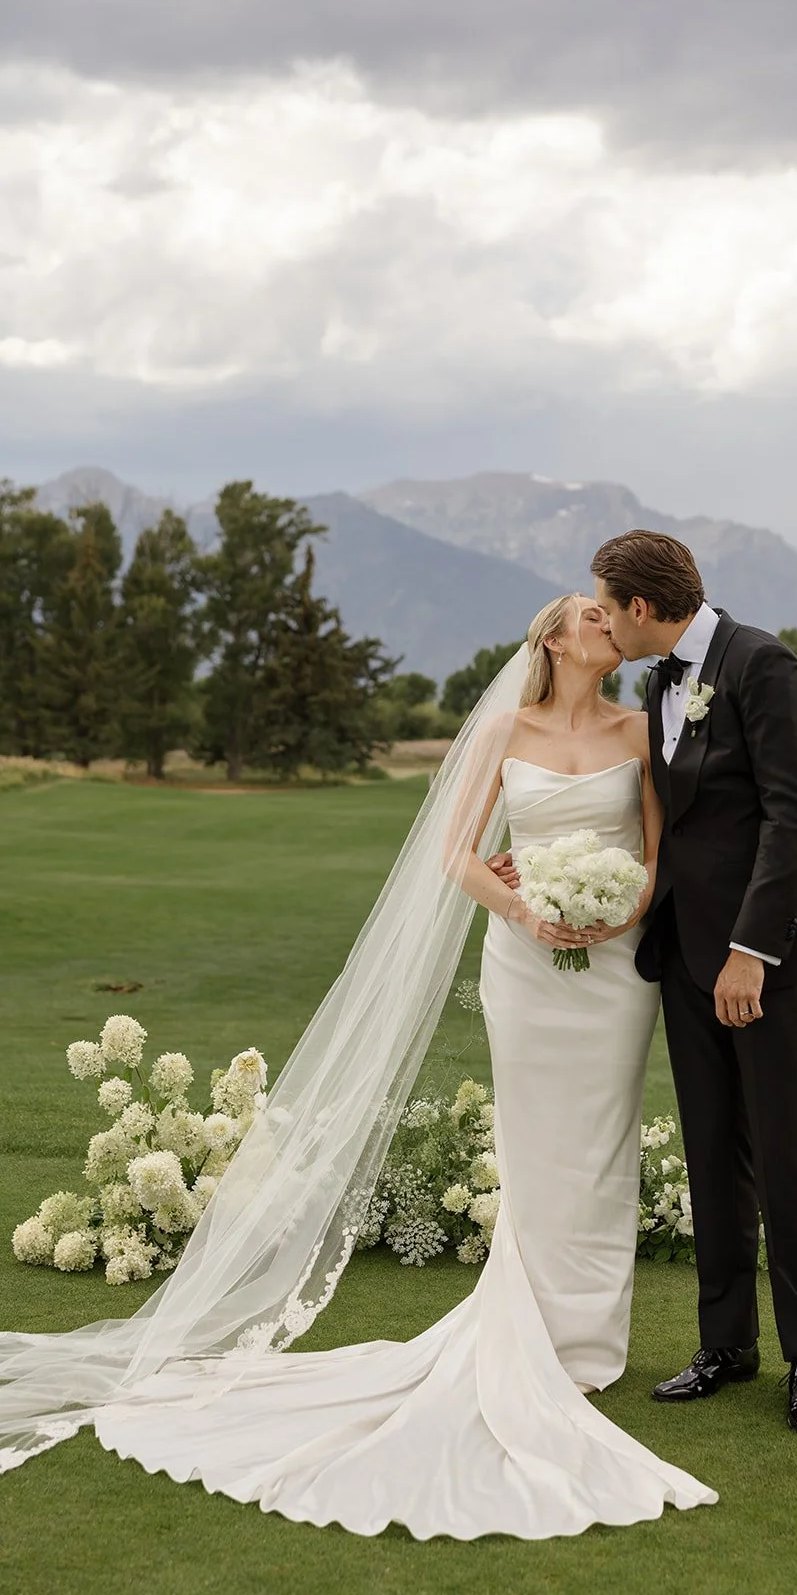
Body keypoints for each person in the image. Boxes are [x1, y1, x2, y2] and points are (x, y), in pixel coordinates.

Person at [0, 593, 716, 1539]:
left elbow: (659, 854)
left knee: (603, 1138)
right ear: (549, 639)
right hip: (526, 964)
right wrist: (525, 912)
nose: (601, 625)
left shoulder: (638, 729)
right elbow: (458, 855)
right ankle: (531, 1331)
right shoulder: (506, 725)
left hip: (616, 969)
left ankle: (589, 1341)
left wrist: (617, 911)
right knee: (538, 1142)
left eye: (604, 614)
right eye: (584, 614)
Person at [590, 530, 797, 1435]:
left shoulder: (761, 664)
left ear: (642, 608)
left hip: (760, 958)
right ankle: (725, 1346)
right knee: (711, 1152)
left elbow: (792, 820)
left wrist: (751, 952)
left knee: (783, 1154)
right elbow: (674, 823)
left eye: (607, 609)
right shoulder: (659, 682)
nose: (605, 627)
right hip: (683, 954)